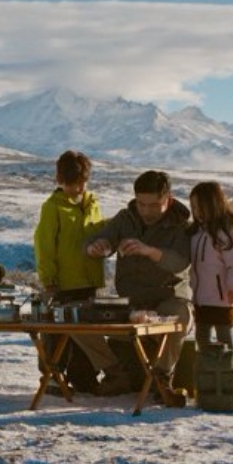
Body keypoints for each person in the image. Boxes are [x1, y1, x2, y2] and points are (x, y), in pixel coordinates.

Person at [79, 170, 192, 405]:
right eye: (141, 204)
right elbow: (97, 240)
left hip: (167, 298)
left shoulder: (181, 225)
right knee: (79, 319)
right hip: (130, 301)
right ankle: (114, 372)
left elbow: (180, 261)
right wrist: (97, 247)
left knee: (181, 315)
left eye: (154, 205)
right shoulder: (125, 219)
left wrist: (150, 251)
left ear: (168, 200)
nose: (146, 211)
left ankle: (161, 377)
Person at [32, 150, 104, 393]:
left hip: (89, 281)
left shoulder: (92, 204)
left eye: (81, 183)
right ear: (60, 180)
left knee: (86, 333)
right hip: (63, 283)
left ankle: (84, 378)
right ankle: (53, 376)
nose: (77, 188)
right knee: (57, 333)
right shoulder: (52, 207)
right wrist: (49, 279)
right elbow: (44, 245)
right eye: (72, 184)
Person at [188, 181, 233, 351]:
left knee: (224, 337)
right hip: (201, 297)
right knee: (202, 337)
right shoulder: (196, 233)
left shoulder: (225, 232)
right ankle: (206, 365)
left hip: (224, 297)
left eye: (199, 206)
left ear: (213, 205)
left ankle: (229, 366)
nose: (196, 211)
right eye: (193, 207)